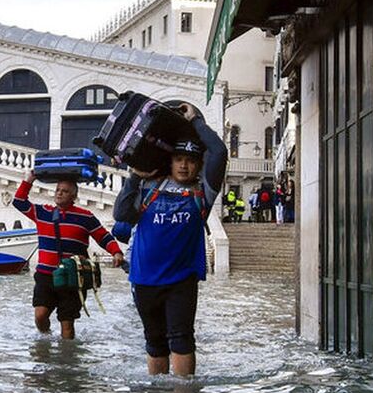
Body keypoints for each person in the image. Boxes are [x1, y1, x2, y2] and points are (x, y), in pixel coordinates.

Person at [113, 101, 228, 377]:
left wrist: (195, 120)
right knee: (154, 341)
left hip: (182, 280)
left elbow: (220, 151)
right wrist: (133, 177)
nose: (185, 166)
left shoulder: (204, 192)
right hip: (143, 279)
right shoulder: (148, 186)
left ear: (199, 165)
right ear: (170, 161)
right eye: (179, 160)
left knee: (181, 338)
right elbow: (122, 213)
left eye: (190, 161)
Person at [14, 171, 124, 339]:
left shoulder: (85, 217)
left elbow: (103, 236)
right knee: (40, 315)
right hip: (45, 276)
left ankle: (65, 361)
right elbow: (19, 201)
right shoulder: (42, 212)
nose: (59, 193)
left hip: (73, 278)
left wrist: (116, 252)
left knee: (67, 323)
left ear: (74, 197)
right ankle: (46, 339)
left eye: (64, 191)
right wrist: (30, 179)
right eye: (58, 189)